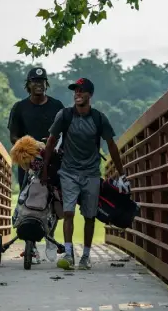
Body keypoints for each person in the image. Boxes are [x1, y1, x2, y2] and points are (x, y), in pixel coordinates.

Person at [41, 77, 130, 270]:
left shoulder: (98, 118)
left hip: (91, 173)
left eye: (81, 91)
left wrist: (121, 174)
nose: (77, 94)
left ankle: (86, 256)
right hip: (68, 172)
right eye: (75, 91)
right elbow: (51, 141)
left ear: (90, 95)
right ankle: (68, 253)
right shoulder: (64, 115)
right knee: (68, 212)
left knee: (90, 216)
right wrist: (44, 168)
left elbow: (112, 146)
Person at [7, 67, 65, 264]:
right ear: (28, 84)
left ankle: (50, 240)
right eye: (34, 81)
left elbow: (65, 132)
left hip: (53, 159)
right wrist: (28, 144)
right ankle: (30, 247)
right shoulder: (19, 108)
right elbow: (13, 135)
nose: (38, 84)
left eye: (42, 81)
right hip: (28, 161)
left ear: (46, 83)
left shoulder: (57, 106)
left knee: (54, 199)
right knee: (27, 198)